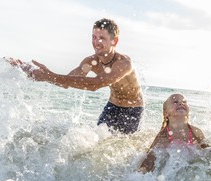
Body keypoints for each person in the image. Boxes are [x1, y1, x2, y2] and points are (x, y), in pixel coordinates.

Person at [8, 18, 144, 134]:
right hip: (112, 107)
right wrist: (34, 70)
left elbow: (95, 84)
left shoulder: (123, 63)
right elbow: (68, 81)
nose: (96, 42)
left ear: (114, 41)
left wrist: (50, 76)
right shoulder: (91, 62)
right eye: (94, 37)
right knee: (99, 144)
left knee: (123, 148)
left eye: (102, 38)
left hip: (132, 110)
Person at [139, 93, 211, 173]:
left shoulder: (196, 132)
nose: (181, 103)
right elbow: (149, 160)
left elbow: (210, 152)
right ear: (166, 112)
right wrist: (140, 173)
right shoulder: (163, 136)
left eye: (184, 102)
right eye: (175, 102)